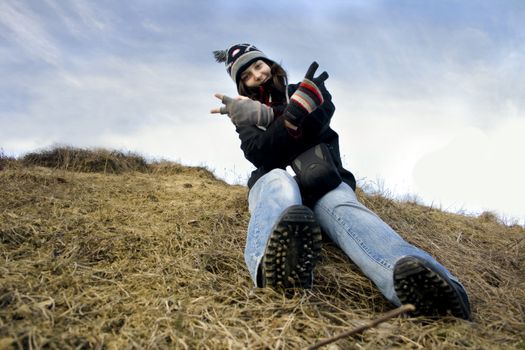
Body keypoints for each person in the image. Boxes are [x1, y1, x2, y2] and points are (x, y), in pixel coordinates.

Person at [210, 43, 471, 320]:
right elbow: (259, 153)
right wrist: (290, 116)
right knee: (277, 178)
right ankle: (274, 272)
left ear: (269, 63)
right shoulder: (243, 113)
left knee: (345, 210)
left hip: (322, 182)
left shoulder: (308, 88)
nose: (257, 75)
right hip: (273, 183)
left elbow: (320, 119)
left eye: (258, 65)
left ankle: (432, 292)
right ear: (241, 84)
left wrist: (279, 117)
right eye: (247, 75)